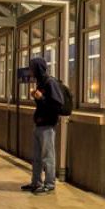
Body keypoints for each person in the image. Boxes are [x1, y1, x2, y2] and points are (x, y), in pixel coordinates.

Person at [21, 58, 64, 196]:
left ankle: (50, 184)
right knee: (37, 157)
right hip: (39, 124)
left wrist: (42, 98)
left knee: (48, 156)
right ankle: (36, 182)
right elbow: (44, 104)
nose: (31, 71)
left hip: (47, 126)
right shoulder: (40, 82)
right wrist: (37, 97)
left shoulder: (50, 82)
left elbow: (58, 105)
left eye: (32, 68)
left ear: (38, 68)